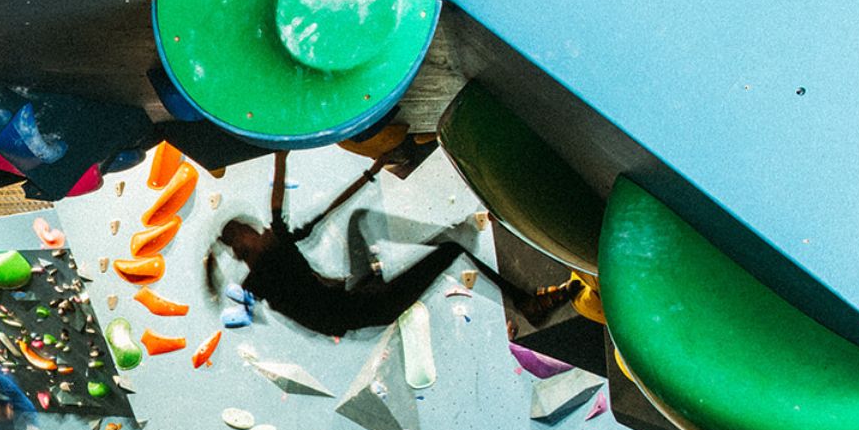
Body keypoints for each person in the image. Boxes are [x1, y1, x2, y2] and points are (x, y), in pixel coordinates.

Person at [206, 150, 582, 338]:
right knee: (451, 251)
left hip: (355, 293)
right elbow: (223, 297)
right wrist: (212, 259)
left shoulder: (275, 249)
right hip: (369, 308)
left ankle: (455, 242)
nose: (258, 229)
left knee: (360, 221)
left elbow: (321, 208)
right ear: (244, 247)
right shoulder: (262, 274)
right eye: (248, 233)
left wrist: (370, 171)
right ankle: (525, 301)